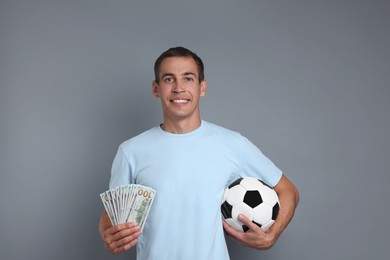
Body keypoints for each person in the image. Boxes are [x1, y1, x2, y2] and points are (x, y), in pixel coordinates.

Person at [99, 46, 299, 259]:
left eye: (188, 79)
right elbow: (111, 214)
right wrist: (106, 235)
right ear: (155, 88)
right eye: (168, 79)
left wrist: (272, 235)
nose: (178, 88)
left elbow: (289, 191)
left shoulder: (233, 144)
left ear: (202, 87)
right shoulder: (132, 151)